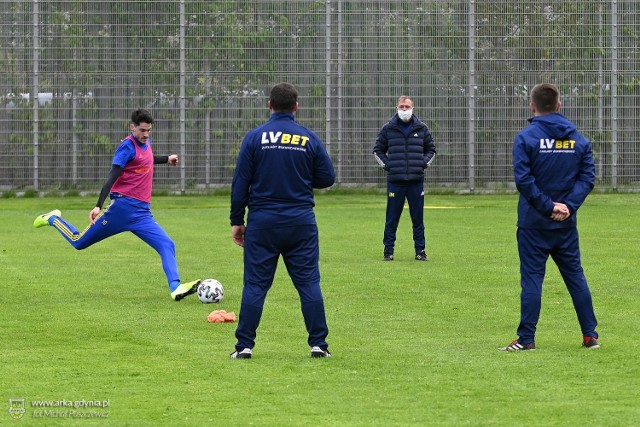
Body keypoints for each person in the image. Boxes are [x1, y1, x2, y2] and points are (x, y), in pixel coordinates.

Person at [33, 108, 201, 301]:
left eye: (149, 130)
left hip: (142, 214)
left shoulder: (146, 143)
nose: (146, 134)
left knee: (167, 244)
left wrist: (166, 159)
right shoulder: (126, 147)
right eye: (142, 130)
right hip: (120, 210)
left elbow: (145, 160)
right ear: (132, 127)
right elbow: (112, 176)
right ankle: (53, 218)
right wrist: (98, 205)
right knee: (78, 242)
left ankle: (175, 288)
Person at [229, 83, 335, 359]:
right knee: (308, 283)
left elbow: (241, 182)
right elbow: (327, 177)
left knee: (255, 285)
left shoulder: (254, 138)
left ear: (270, 106)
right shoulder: (308, 138)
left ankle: (244, 347)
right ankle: (318, 344)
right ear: (296, 107)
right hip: (300, 221)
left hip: (263, 222)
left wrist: (237, 220)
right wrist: (299, 178)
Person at [500, 83, 600, 351]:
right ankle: (590, 336)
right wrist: (567, 206)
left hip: (534, 223)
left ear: (532, 106)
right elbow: (588, 177)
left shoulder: (526, 138)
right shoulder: (579, 139)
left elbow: (524, 180)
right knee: (575, 277)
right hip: (566, 225)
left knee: (532, 279)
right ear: (559, 105)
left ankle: (527, 339)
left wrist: (548, 207)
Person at [373, 95, 436, 261]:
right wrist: (389, 165)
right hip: (396, 182)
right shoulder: (389, 129)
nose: (404, 110)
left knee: (418, 219)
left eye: (407, 107)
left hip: (416, 182)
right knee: (392, 218)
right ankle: (388, 250)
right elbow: (378, 150)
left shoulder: (422, 129)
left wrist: (422, 164)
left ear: (413, 108)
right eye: (401, 107)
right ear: (397, 108)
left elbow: (431, 150)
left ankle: (420, 251)